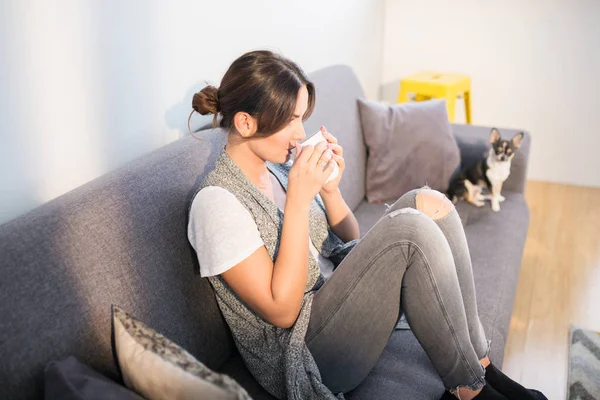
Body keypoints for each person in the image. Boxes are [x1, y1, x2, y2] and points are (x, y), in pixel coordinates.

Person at [186, 50, 546, 400]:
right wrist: (297, 199)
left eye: (301, 117)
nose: (300, 133)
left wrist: (329, 192)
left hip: (338, 299)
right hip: (305, 350)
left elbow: (349, 239)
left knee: (431, 203)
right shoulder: (217, 203)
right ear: (245, 122)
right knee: (410, 230)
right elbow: (282, 312)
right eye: (289, 120)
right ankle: (470, 389)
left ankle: (480, 361)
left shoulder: (278, 167)